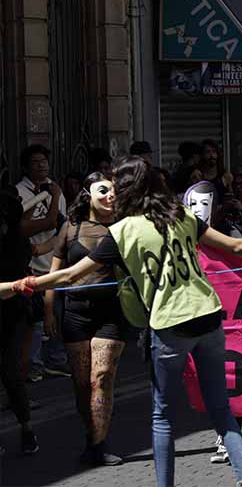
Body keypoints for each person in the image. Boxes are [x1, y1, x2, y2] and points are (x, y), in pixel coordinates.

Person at [0, 157, 242, 487]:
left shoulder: (121, 232)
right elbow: (237, 245)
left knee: (162, 416)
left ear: (125, 190)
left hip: (170, 324)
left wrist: (16, 286)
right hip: (208, 316)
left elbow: (67, 275)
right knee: (221, 409)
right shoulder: (180, 215)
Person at [43, 172, 130, 466]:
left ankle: (99, 445)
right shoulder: (71, 228)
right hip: (75, 312)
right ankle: (90, 434)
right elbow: (55, 275)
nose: (110, 196)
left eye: (115, 191)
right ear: (88, 194)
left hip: (112, 313)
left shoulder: (124, 228)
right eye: (103, 190)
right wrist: (49, 312)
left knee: (101, 378)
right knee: (82, 385)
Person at [16, 144, 69, 381]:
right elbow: (47, 223)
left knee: (56, 314)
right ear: (26, 167)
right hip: (30, 265)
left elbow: (61, 226)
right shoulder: (19, 193)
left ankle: (55, 361)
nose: (42, 165)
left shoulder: (57, 191)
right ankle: (33, 365)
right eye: (36, 162)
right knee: (36, 320)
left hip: (53, 263)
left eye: (44, 161)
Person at [0, 181, 39, 455]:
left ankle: (26, 429)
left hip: (9, 316)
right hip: (15, 316)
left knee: (10, 374)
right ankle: (26, 430)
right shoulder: (19, 242)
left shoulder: (14, 245)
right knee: (11, 374)